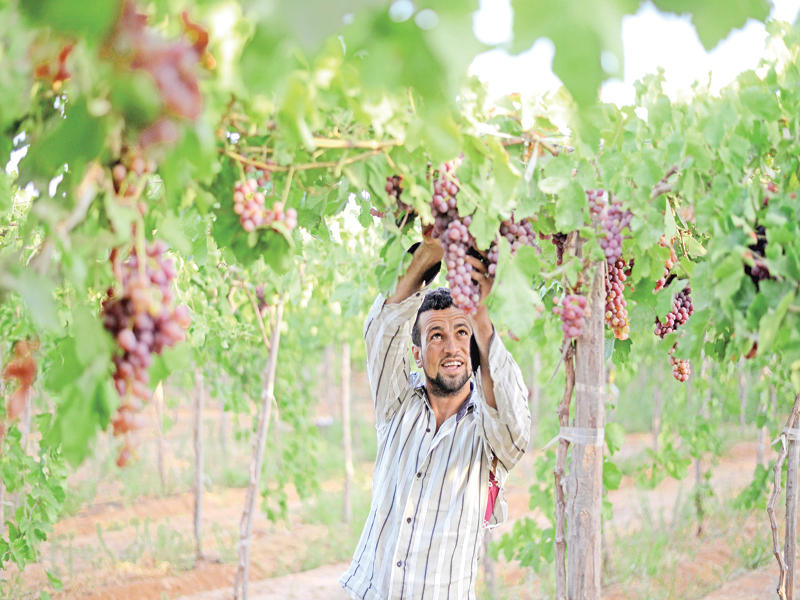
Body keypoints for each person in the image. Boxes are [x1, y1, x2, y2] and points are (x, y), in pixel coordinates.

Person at [339, 233, 531, 599]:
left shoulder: (489, 436)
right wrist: (432, 249)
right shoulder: (397, 404)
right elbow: (382, 328)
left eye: (462, 332)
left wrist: (482, 318)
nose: (451, 347)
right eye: (436, 336)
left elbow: (515, 426)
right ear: (417, 353)